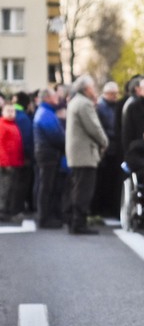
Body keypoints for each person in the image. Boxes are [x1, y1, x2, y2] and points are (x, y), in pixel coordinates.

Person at [65, 75, 109, 235]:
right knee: (84, 190)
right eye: (92, 86)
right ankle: (79, 223)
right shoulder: (84, 104)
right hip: (85, 153)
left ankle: (73, 220)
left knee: (78, 188)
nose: (94, 89)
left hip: (78, 153)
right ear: (86, 89)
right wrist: (104, 141)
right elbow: (94, 127)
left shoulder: (75, 102)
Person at [33, 88, 67, 229]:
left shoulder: (46, 111)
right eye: (54, 96)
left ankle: (47, 216)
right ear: (47, 98)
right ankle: (44, 218)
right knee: (46, 186)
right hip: (48, 154)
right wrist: (66, 142)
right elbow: (56, 136)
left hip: (47, 153)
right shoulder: (45, 113)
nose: (57, 98)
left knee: (47, 186)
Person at [92, 81, 121, 218]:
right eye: (112, 94)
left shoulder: (116, 107)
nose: (115, 96)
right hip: (105, 147)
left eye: (116, 93)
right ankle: (100, 208)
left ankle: (109, 207)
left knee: (112, 180)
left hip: (114, 148)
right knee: (102, 181)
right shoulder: (100, 107)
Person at [0, 103, 24, 221]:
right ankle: (2, 211)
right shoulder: (2, 125)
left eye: (13, 111)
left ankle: (7, 211)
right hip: (6, 164)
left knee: (11, 188)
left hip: (14, 162)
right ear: (3, 112)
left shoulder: (13, 125)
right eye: (8, 111)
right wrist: (5, 163)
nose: (11, 113)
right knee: (4, 188)